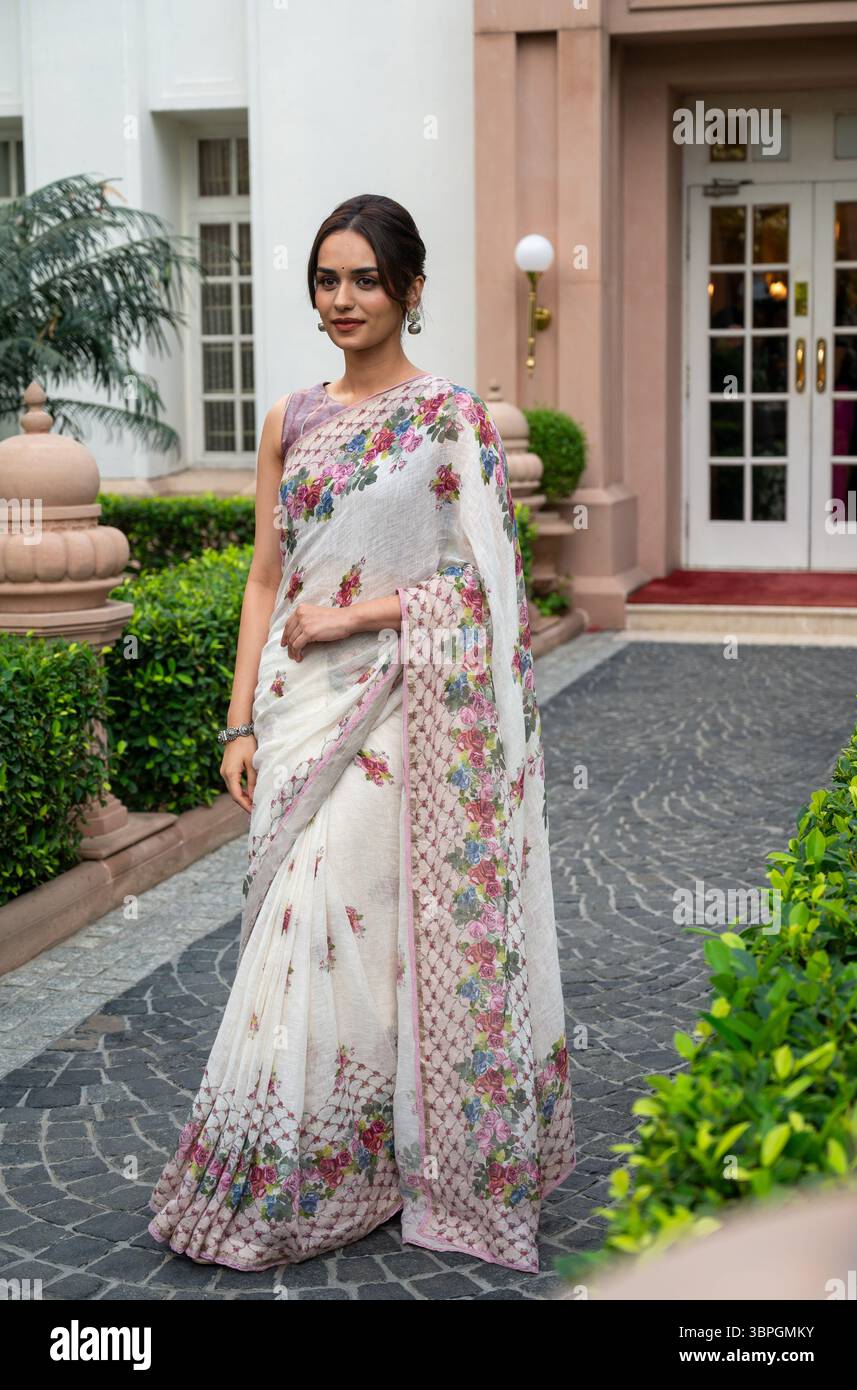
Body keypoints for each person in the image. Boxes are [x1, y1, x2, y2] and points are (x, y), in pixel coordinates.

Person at [146, 193, 577, 1274]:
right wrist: (240, 716)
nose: (342, 300)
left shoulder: (449, 419)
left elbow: (488, 593)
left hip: (396, 700)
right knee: (326, 927)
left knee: (339, 923)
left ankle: (317, 1165)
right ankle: (334, 1152)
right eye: (327, 280)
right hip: (300, 709)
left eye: (365, 281)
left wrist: (359, 614)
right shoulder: (290, 418)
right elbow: (260, 577)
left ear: (412, 291)